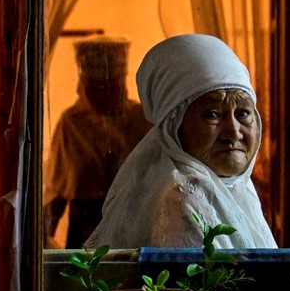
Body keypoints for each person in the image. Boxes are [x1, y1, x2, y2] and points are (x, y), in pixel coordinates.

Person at [87, 33, 277, 249]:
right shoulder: (185, 198)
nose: (233, 132)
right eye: (212, 114)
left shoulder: (237, 189)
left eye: (243, 113)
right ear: (174, 126)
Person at [45, 36, 152, 248]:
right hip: (85, 223)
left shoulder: (141, 118)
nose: (105, 95)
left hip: (134, 216)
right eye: (96, 88)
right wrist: (42, 236)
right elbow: (58, 186)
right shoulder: (72, 123)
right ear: (84, 88)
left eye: (112, 87)